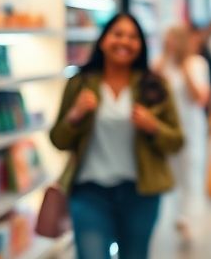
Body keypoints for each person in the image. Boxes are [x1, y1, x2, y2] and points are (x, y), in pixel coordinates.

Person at [50, 13, 184, 259]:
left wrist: (153, 126)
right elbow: (58, 139)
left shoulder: (154, 85)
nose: (124, 41)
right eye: (118, 34)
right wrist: (75, 115)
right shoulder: (80, 83)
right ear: (103, 40)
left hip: (141, 194)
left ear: (141, 45)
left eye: (133, 37)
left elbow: (176, 141)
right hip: (89, 192)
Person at [154, 25, 211, 246]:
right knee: (171, 175)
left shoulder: (197, 64)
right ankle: (177, 216)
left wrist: (185, 70)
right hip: (167, 129)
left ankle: (188, 220)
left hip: (191, 128)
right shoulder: (161, 64)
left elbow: (200, 98)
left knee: (191, 175)